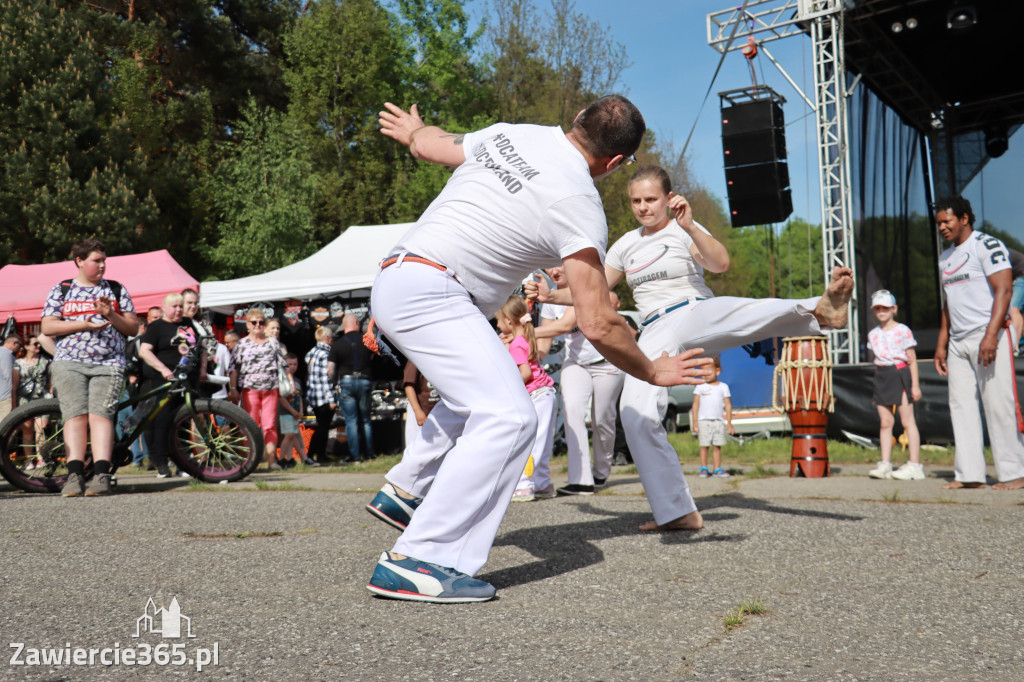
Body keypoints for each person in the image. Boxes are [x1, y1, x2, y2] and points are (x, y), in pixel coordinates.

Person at [363, 95, 710, 603]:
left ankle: (405, 491)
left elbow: (431, 145)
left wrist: (414, 130)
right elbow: (598, 321)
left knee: (480, 396)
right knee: (511, 417)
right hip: (437, 293)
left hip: (397, 277)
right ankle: (420, 559)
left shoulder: (514, 132)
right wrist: (652, 371)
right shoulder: (580, 205)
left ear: (576, 121)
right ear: (615, 163)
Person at [528, 165, 853, 531]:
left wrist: (691, 227)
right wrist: (552, 294)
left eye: (651, 199)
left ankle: (819, 310)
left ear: (668, 199)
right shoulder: (626, 244)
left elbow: (720, 263)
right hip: (653, 330)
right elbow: (593, 290)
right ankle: (677, 511)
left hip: (693, 308)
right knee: (634, 411)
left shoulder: (683, 229)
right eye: (636, 201)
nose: (643, 207)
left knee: (736, 309)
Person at [933, 196, 1024, 490]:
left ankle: (1014, 473)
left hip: (990, 336)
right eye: (939, 223)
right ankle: (970, 475)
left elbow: (1005, 290)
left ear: (964, 219)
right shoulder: (945, 257)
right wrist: (941, 343)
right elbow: (949, 303)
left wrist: (990, 335)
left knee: (999, 405)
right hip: (958, 343)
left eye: (947, 221)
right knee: (961, 407)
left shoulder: (987, 245)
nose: (942, 227)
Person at [41, 238, 139, 496]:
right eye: (97, 261)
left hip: (109, 363)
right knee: (75, 416)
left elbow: (132, 328)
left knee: (101, 416)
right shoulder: (62, 289)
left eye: (104, 260)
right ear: (80, 262)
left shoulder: (116, 289)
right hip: (69, 362)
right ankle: (74, 475)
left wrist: (110, 315)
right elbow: (48, 327)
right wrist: (84, 324)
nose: (102, 266)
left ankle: (101, 474)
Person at [536, 266, 624, 494]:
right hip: (576, 363)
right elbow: (545, 342)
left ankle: (600, 473)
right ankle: (581, 480)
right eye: (548, 268)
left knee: (603, 419)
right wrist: (528, 359)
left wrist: (523, 331)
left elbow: (565, 325)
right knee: (572, 412)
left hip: (607, 361)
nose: (553, 271)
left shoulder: (582, 288)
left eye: (558, 265)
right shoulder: (549, 299)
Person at [495, 295, 557, 502]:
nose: (496, 324)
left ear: (509, 322)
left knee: (530, 443)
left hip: (537, 395)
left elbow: (525, 373)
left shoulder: (517, 344)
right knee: (542, 442)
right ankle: (541, 483)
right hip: (545, 394)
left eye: (498, 320)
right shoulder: (525, 338)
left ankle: (523, 486)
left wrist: (507, 387)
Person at [137, 292, 202, 479]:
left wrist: (202, 369)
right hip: (164, 382)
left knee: (182, 423)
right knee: (162, 422)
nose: (179, 309)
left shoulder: (188, 324)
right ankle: (161, 463)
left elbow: (197, 348)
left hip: (187, 380)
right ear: (165, 308)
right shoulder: (156, 326)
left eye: (181, 306)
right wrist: (164, 369)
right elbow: (144, 351)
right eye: (175, 306)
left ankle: (182, 462)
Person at [865, 290, 924, 481]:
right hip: (882, 376)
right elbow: (877, 359)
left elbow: (912, 359)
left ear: (894, 309)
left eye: (885, 308)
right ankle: (885, 463)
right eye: (878, 308)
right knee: (885, 422)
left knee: (907, 422)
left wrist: (914, 385)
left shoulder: (903, 330)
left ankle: (915, 465)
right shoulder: (873, 334)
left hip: (900, 374)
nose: (881, 311)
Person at [228, 307, 283, 471]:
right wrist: (233, 388)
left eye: (261, 322)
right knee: (250, 423)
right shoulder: (242, 344)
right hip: (249, 387)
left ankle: (272, 460)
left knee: (270, 425)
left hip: (270, 387)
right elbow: (233, 368)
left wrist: (289, 382)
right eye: (254, 322)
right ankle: (251, 460)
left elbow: (283, 363)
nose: (258, 325)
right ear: (248, 325)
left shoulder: (272, 341)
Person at [330, 314, 374, 463]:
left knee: (351, 421)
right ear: (356, 323)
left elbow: (330, 369)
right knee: (366, 420)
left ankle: (355, 456)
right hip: (364, 380)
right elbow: (373, 357)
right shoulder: (367, 340)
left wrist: (334, 381)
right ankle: (369, 454)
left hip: (346, 382)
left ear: (344, 325)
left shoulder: (337, 344)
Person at [693, 356, 733, 478]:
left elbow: (728, 405)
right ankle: (704, 468)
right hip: (703, 421)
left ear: (717, 371)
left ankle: (717, 468)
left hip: (718, 421)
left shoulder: (723, 387)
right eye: (702, 372)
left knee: (717, 445)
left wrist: (729, 422)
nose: (705, 375)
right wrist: (695, 422)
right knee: (704, 445)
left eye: (708, 371)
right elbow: (695, 405)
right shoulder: (700, 386)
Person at [16, 334, 52, 469]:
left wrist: (51, 394)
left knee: (41, 429)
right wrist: (14, 404)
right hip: (25, 399)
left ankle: (41, 458)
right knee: (27, 430)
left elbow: (50, 381)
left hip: (42, 398)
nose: (38, 346)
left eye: (39, 344)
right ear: (26, 346)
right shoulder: (18, 363)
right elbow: (14, 385)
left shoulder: (46, 361)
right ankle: (28, 460)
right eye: (35, 344)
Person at [304, 325, 336, 465]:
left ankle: (320, 454)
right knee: (323, 427)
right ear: (327, 338)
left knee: (321, 425)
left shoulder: (312, 352)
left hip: (313, 395)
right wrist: (331, 399)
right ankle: (312, 455)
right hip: (323, 396)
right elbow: (326, 378)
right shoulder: (326, 354)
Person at [278, 352, 315, 467]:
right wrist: (293, 411)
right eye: (290, 364)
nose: (293, 367)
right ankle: (281, 459)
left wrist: (300, 410)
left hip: (295, 412)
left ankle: (290, 459)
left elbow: (299, 397)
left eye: (295, 364)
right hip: (285, 412)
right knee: (289, 435)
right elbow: (282, 399)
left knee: (292, 435)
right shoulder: (282, 380)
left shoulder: (297, 381)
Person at [402, 359, 439, 451]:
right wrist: (417, 410)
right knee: (417, 448)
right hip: (420, 411)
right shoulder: (414, 358)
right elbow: (409, 386)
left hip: (438, 412)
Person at [0, 334, 22, 420]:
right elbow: (9, 376)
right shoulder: (7, 354)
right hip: (4, 396)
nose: (19, 349)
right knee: (5, 426)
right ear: (14, 343)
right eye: (19, 345)